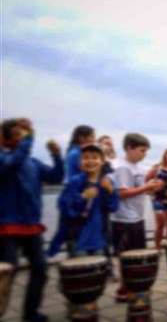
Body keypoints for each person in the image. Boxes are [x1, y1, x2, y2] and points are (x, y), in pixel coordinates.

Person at [0, 118, 64, 322]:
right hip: (7, 226)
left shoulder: (33, 162)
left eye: (24, 134)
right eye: (19, 134)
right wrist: (30, 136)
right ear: (5, 138)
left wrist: (57, 156)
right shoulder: (3, 158)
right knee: (6, 276)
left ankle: (30, 312)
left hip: (31, 226)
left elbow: (55, 177)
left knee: (41, 270)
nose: (24, 138)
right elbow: (12, 164)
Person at [111, 133, 162, 301]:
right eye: (141, 151)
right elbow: (122, 193)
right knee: (127, 256)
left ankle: (134, 286)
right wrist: (145, 187)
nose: (144, 155)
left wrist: (153, 187)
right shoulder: (122, 168)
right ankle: (123, 289)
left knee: (137, 255)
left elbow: (141, 191)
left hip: (137, 217)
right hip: (124, 219)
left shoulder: (139, 169)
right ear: (129, 148)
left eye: (145, 151)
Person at [54, 144, 119, 257]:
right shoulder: (74, 182)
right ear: (80, 161)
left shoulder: (106, 182)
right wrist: (82, 197)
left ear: (102, 161)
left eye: (94, 157)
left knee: (100, 270)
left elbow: (113, 207)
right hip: (77, 237)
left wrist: (111, 191)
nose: (90, 161)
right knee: (82, 270)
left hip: (99, 237)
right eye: (85, 157)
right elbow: (63, 206)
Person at [145, 148, 167, 250]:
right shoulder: (158, 168)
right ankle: (157, 247)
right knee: (161, 224)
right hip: (159, 200)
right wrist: (149, 189)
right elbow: (146, 179)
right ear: (165, 156)